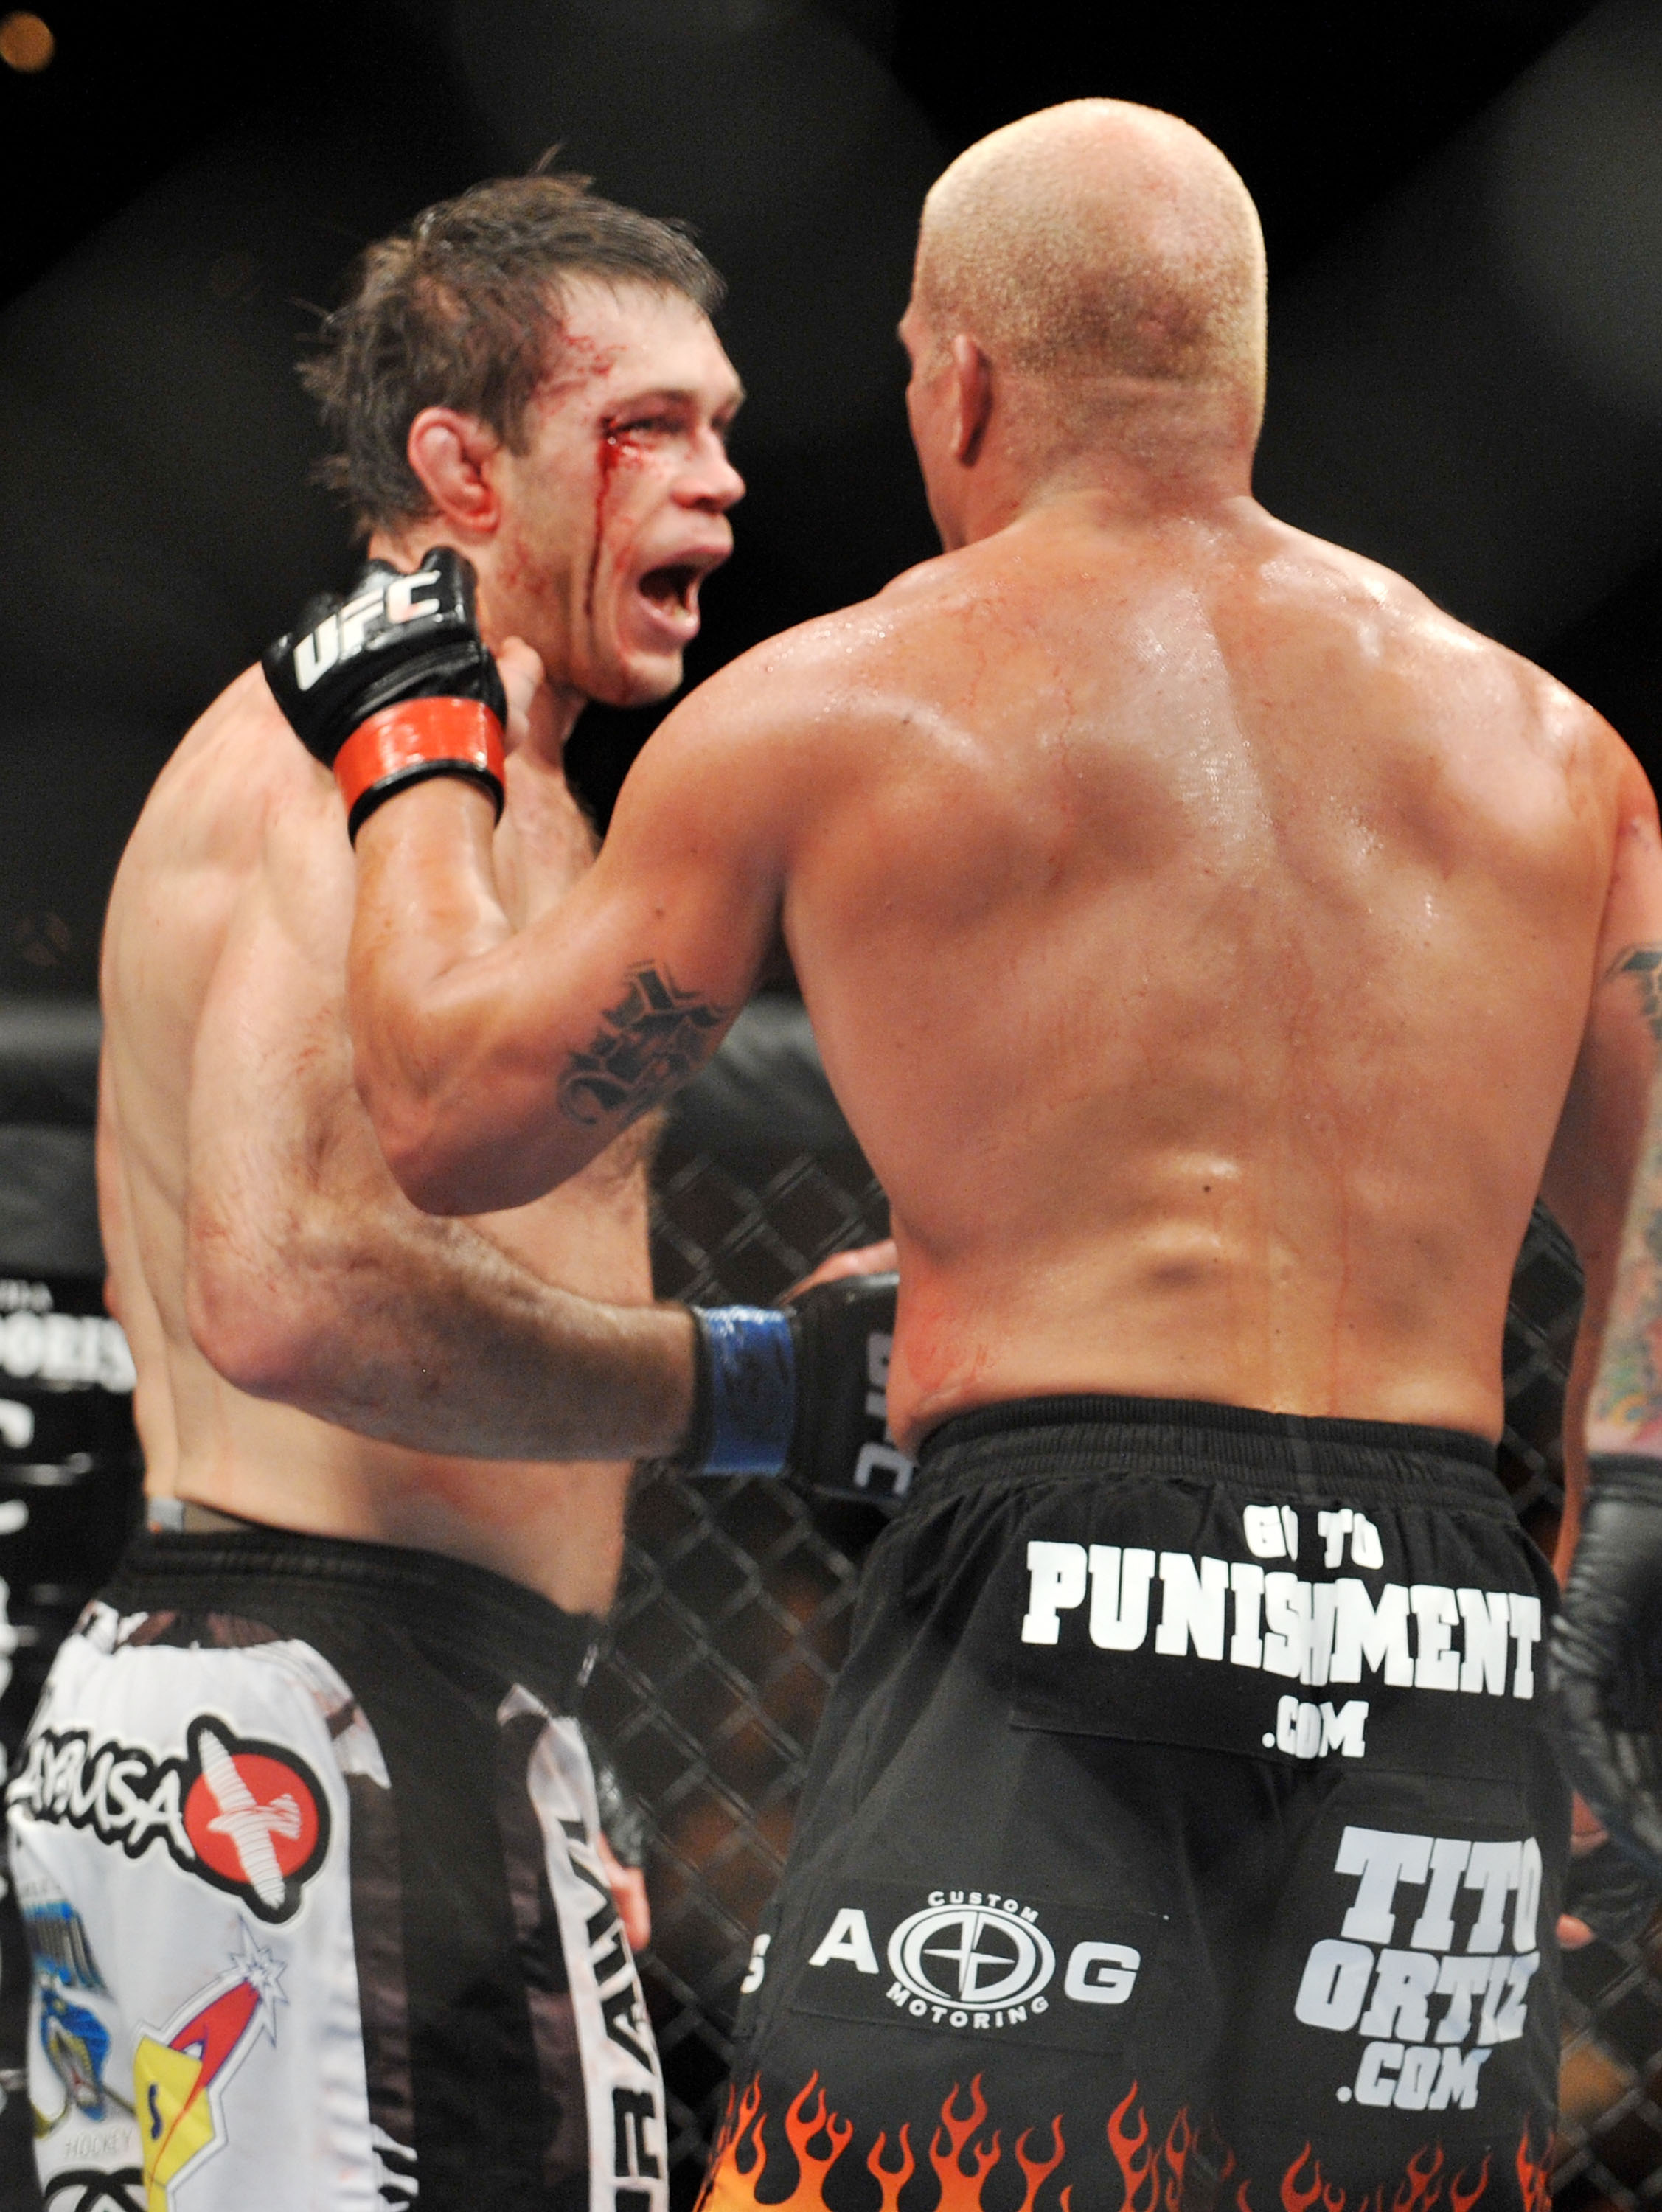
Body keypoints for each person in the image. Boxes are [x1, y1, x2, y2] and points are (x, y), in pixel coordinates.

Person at [313, 102, 1662, 2205]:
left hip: (1066, 1576)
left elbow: (452, 1116)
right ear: (1253, 367)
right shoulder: (1556, 754)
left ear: (959, 377)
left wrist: (406, 739)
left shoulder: (842, 703)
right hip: (1434, 1618)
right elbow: (1652, 1221)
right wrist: (1609, 1552)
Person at [4, 169, 894, 2212]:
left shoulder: (524, 797)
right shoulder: (360, 766)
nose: (722, 480)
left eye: (729, 425)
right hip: (321, 1717)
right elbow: (291, 1289)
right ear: (460, 468)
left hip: (390, 1714)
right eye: (646, 429)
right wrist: (767, 1384)